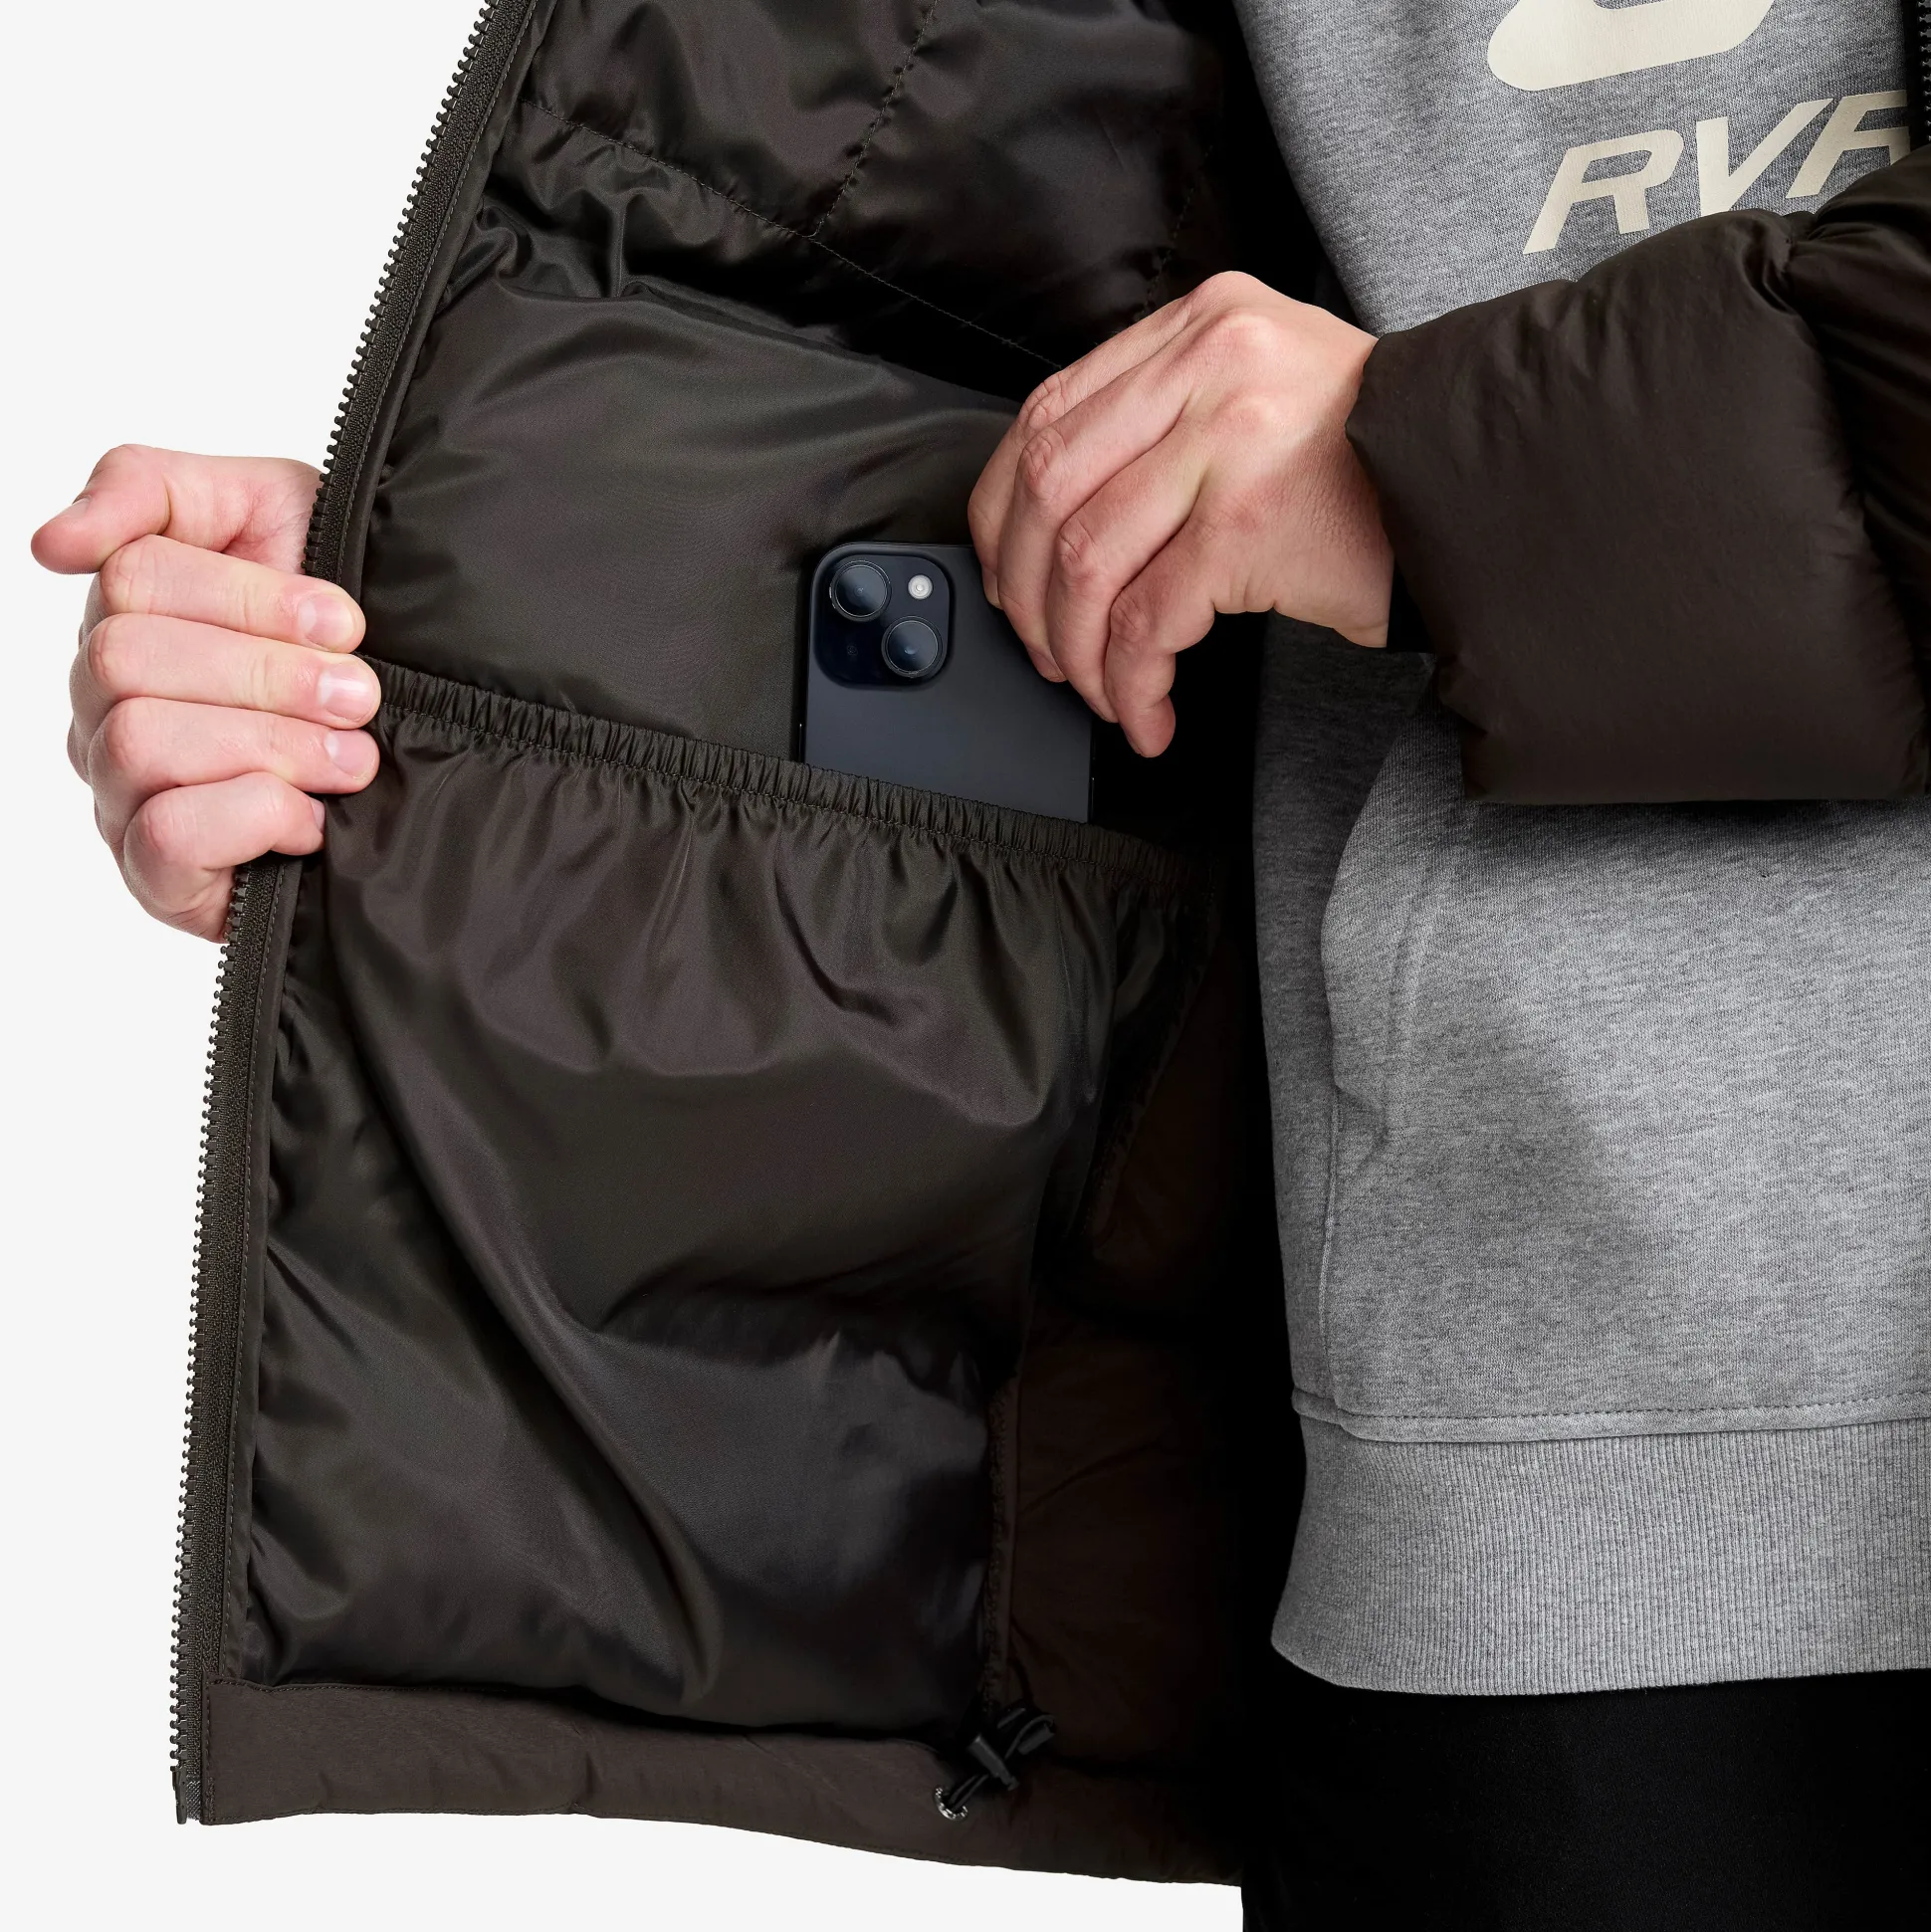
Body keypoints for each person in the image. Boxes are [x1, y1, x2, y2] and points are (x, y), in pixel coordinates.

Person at [38, 1, 1929, 1922]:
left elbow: (1381, 447)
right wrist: (459, 693)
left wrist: (1466, 475)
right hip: (1490, 1540)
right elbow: (1117, 461)